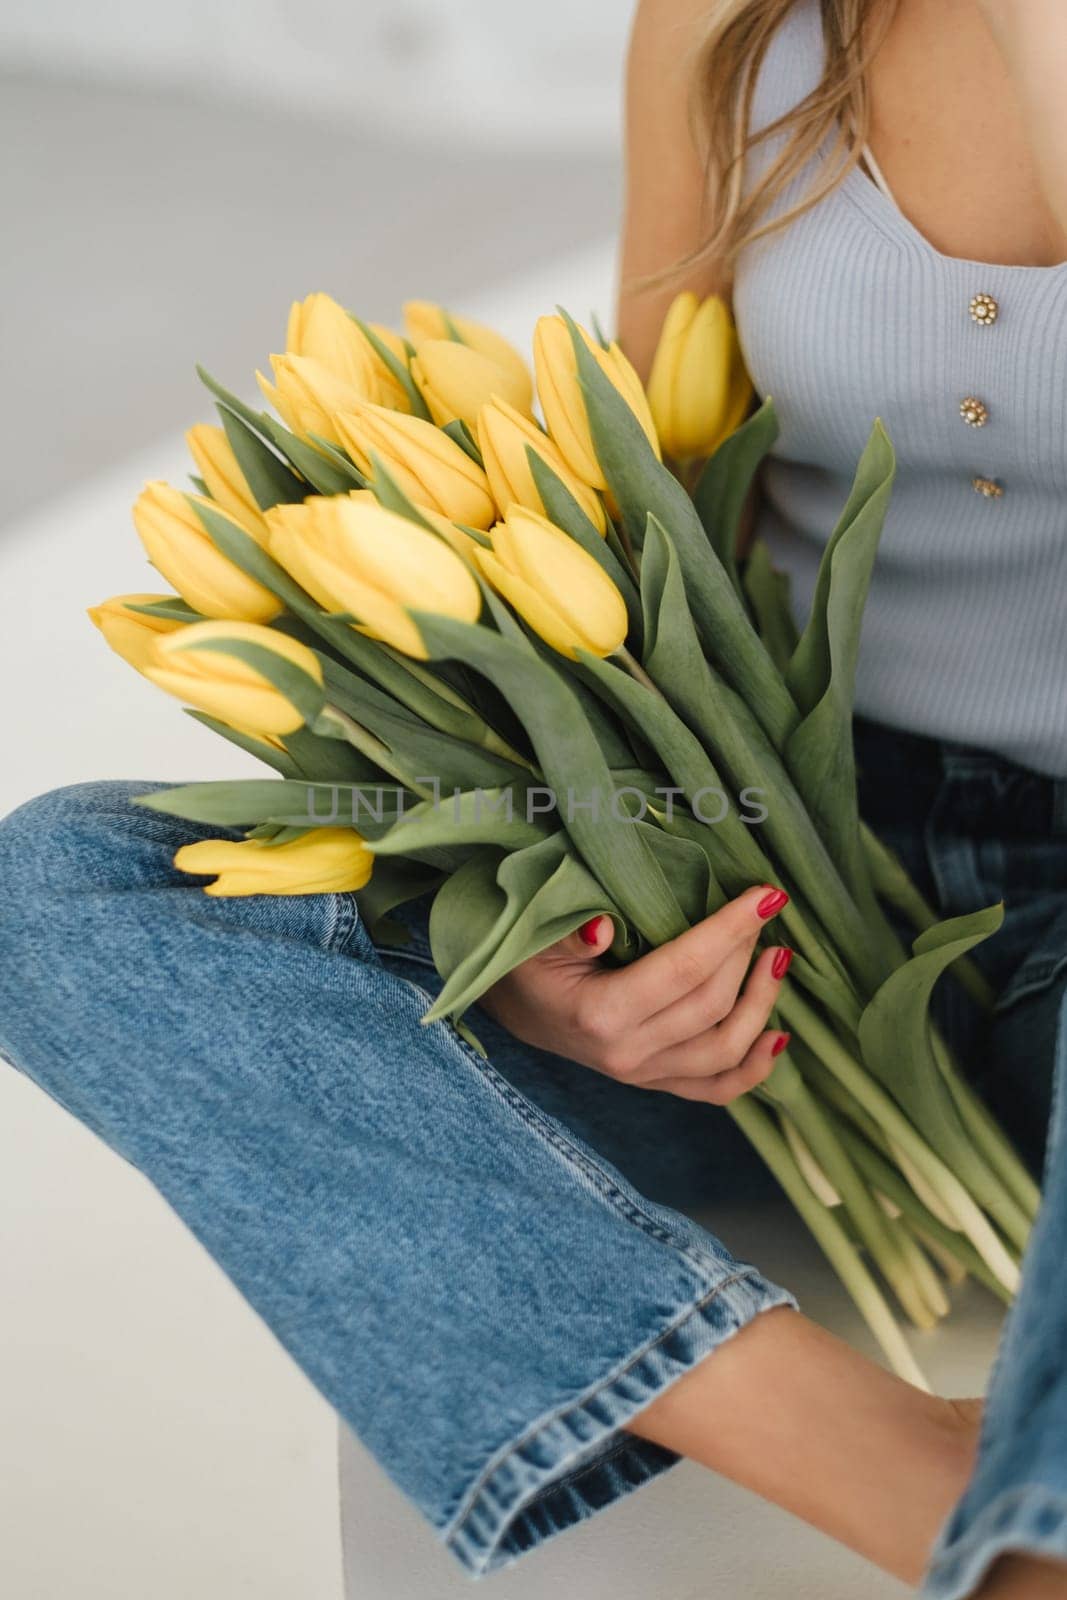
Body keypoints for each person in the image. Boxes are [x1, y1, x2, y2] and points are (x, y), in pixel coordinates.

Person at [0, 0, 1064, 1594]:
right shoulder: (735, 25)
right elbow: (647, 527)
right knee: (72, 887)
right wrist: (577, 935)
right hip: (784, 873)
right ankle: (902, 1477)